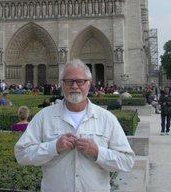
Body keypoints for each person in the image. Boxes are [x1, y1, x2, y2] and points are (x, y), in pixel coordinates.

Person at [15, 60, 135, 192]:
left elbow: (127, 161)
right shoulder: (44, 117)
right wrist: (53, 147)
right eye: (69, 81)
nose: (74, 86)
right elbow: (21, 154)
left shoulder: (106, 119)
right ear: (62, 85)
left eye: (80, 81)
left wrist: (98, 152)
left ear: (89, 84)